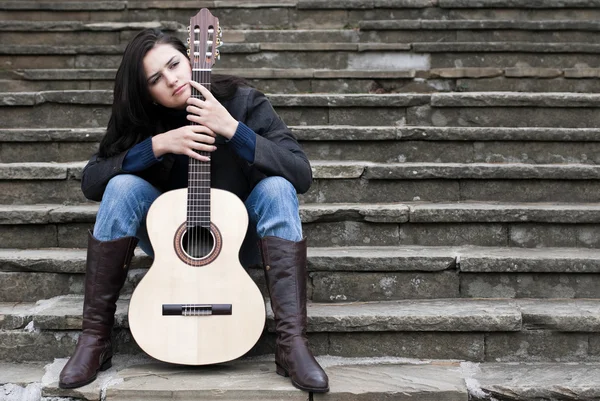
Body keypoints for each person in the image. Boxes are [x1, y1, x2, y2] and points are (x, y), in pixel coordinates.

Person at [58, 28, 329, 393]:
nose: (172, 80)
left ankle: (292, 344)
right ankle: (94, 338)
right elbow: (92, 181)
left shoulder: (243, 101)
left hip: (237, 242)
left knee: (278, 188)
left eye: (174, 64)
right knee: (121, 186)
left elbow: (301, 173)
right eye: (156, 79)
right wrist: (155, 146)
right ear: (146, 91)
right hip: (173, 245)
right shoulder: (143, 121)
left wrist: (233, 129)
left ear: (192, 57)